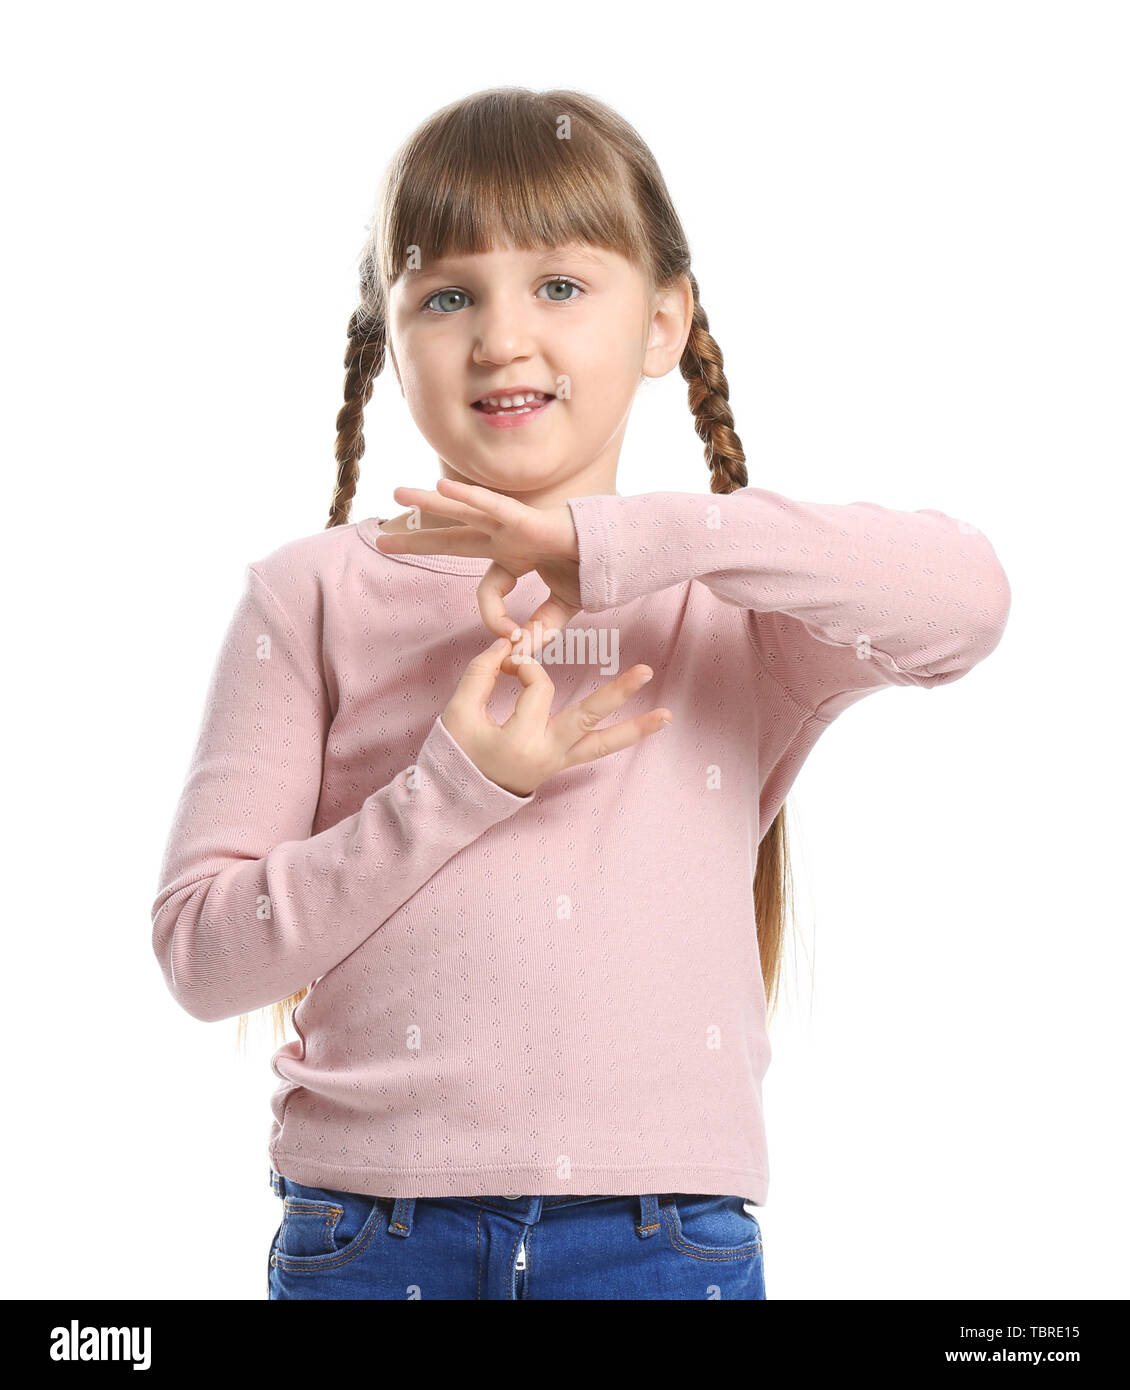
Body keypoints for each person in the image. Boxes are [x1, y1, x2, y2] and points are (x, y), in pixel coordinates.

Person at [151, 86, 1011, 1301]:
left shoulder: (728, 605)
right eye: (446, 295)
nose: (502, 338)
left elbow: (966, 600)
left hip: (656, 1241)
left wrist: (610, 544)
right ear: (387, 337)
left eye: (558, 285)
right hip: (370, 1234)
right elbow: (201, 955)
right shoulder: (309, 594)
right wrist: (453, 790)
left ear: (662, 322)